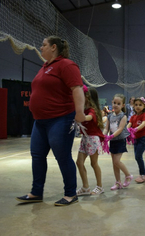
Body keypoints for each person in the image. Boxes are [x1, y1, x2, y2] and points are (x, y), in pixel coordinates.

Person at [16, 36, 85, 206]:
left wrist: (79, 113)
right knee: (37, 156)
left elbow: (77, 89)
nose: (41, 48)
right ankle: (36, 192)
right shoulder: (45, 67)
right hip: (40, 121)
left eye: (44, 45)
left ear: (54, 47)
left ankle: (71, 194)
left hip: (60, 118)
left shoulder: (66, 65)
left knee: (62, 156)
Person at [76, 87, 105, 196]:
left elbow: (89, 117)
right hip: (85, 138)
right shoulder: (83, 109)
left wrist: (81, 117)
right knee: (79, 163)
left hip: (92, 139)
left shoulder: (92, 110)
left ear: (87, 97)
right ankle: (85, 187)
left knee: (94, 163)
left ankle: (100, 186)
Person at [104, 94, 132, 190]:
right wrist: (104, 136)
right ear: (112, 102)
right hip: (112, 141)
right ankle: (118, 182)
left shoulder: (123, 116)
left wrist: (111, 136)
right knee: (114, 163)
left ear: (123, 105)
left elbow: (120, 129)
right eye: (114, 103)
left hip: (120, 140)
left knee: (117, 161)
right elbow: (106, 128)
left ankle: (128, 175)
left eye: (118, 103)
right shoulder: (109, 116)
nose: (116, 105)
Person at [127, 97, 145, 183]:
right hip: (135, 139)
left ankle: (143, 174)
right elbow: (129, 124)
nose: (138, 106)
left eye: (140, 105)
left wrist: (136, 129)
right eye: (136, 105)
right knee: (137, 157)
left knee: (138, 156)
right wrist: (126, 129)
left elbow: (143, 124)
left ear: (144, 106)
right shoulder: (133, 117)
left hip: (143, 138)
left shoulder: (144, 115)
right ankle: (142, 173)